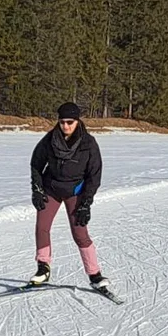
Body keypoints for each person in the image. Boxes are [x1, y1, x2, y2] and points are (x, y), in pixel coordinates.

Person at [29, 102, 108, 289]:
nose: (65, 126)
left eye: (70, 122)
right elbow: (36, 165)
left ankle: (94, 274)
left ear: (77, 121)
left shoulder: (88, 143)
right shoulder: (49, 140)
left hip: (76, 191)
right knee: (42, 227)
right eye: (62, 122)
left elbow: (94, 175)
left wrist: (85, 202)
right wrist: (37, 189)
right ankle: (43, 268)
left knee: (80, 233)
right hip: (52, 189)